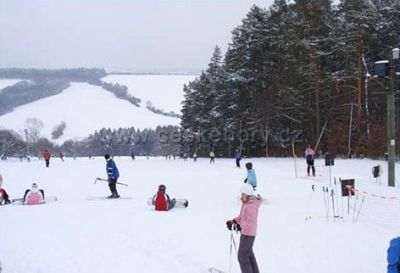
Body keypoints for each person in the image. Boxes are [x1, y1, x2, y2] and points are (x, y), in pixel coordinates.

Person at [226, 184, 262, 273]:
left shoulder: (251, 206)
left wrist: (239, 226)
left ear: (248, 194)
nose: (241, 197)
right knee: (249, 255)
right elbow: (242, 217)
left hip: (248, 234)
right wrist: (234, 222)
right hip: (246, 233)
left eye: (243, 195)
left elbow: (249, 223)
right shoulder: (246, 204)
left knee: (242, 257)